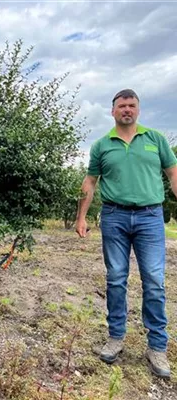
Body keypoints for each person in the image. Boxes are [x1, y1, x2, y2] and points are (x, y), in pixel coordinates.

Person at [75, 89, 177, 378]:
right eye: (122, 106)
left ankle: (157, 347)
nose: (127, 110)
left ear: (138, 110)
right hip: (114, 216)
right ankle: (115, 338)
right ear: (113, 111)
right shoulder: (102, 145)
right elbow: (90, 180)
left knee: (155, 281)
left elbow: (173, 173)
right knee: (116, 279)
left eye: (132, 105)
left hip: (150, 218)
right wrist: (81, 217)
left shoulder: (155, 139)